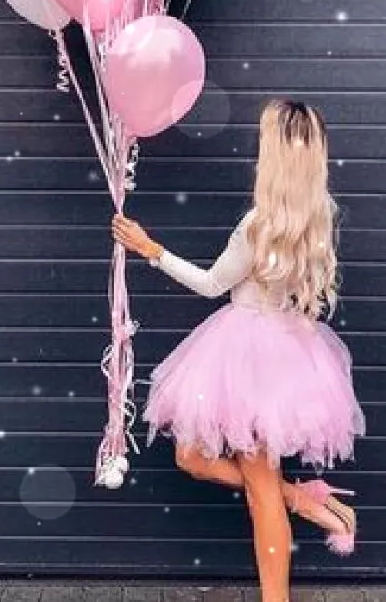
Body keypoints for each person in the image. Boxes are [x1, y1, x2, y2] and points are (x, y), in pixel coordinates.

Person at [112, 99, 365, 602]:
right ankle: (308, 501)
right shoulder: (319, 214)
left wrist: (150, 250)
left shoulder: (258, 225)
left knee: (261, 488)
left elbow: (210, 285)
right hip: (285, 349)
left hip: (251, 357)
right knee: (193, 456)